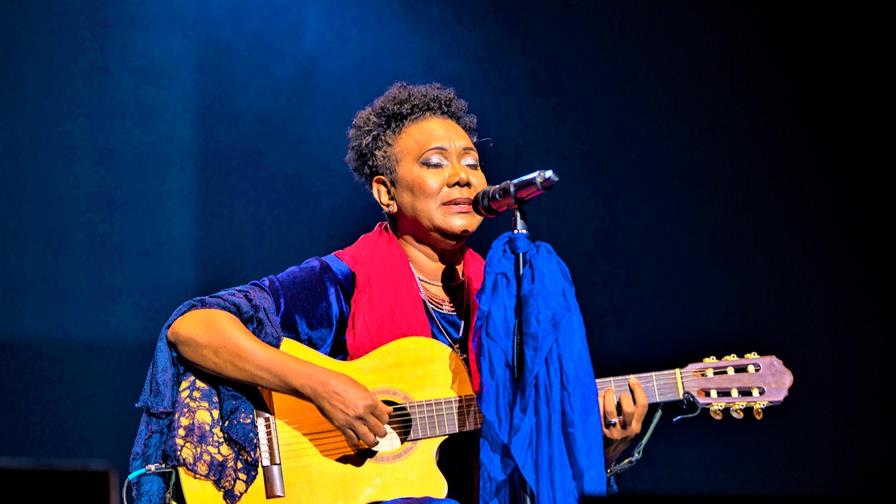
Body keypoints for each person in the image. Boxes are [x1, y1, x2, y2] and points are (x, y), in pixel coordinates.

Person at [129, 82, 648, 504]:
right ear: (386, 192)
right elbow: (193, 327)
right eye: (435, 163)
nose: (462, 178)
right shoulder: (342, 280)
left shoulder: (505, 300)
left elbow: (520, 472)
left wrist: (604, 449)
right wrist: (324, 387)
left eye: (471, 162)